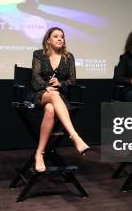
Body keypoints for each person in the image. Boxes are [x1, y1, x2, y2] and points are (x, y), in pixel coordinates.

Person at [27, 27, 90, 173]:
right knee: (52, 98)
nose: (60, 39)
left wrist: (60, 83)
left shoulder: (69, 57)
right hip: (40, 94)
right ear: (48, 40)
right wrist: (46, 86)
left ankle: (39, 153)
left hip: (59, 97)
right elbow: (35, 77)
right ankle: (74, 136)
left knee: (50, 109)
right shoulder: (39, 55)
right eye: (56, 36)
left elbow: (72, 80)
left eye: (62, 36)